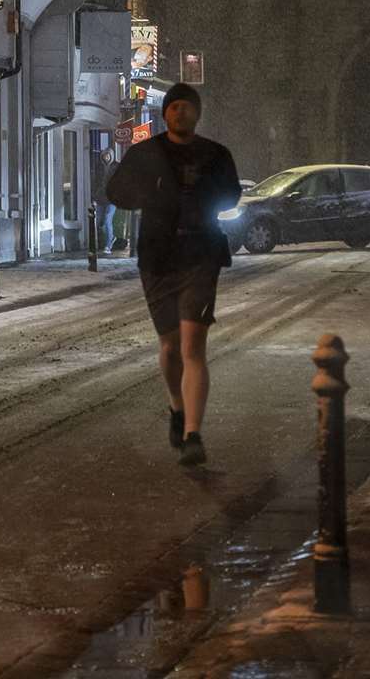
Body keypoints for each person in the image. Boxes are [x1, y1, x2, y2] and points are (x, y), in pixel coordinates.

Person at [105, 83, 242, 466]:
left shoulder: (215, 155)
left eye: (187, 107)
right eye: (174, 107)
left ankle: (194, 434)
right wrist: (150, 195)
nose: (181, 113)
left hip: (201, 256)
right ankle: (177, 408)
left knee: (192, 346)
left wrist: (203, 202)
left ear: (197, 114)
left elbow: (231, 195)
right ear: (165, 113)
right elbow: (116, 192)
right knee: (169, 347)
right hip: (158, 257)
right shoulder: (145, 154)